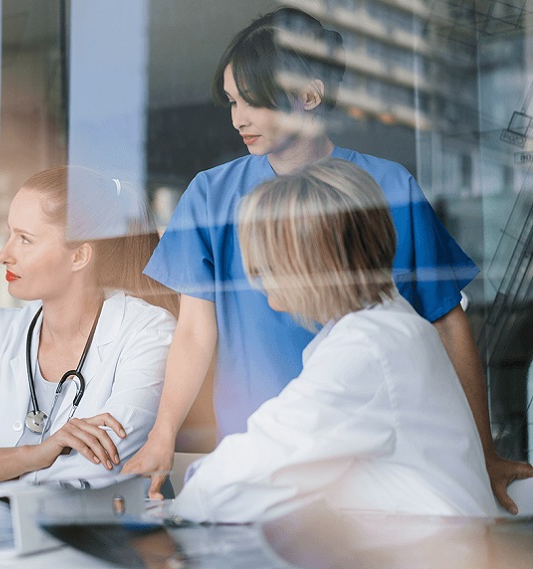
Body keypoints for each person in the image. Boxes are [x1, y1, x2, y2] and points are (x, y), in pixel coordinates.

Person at [123, 7, 533, 511]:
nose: (238, 118)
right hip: (261, 456)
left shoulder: (387, 190)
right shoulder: (211, 195)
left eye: (253, 100)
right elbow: (193, 332)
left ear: (309, 96)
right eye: (232, 101)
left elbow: (447, 323)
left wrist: (484, 452)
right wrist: (163, 434)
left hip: (371, 465)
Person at [171, 158, 498, 522]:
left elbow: (235, 479)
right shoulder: (382, 328)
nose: (259, 278)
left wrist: (184, 495)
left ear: (314, 263)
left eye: (268, 263)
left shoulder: (366, 349)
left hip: (434, 544)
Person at [0, 166, 176, 486]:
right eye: (10, 234)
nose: (4, 254)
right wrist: (35, 454)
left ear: (79, 257)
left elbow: (101, 465)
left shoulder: (148, 332)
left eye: (25, 239)